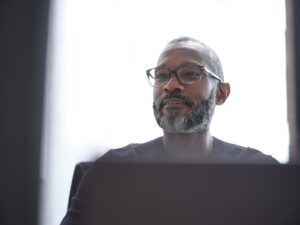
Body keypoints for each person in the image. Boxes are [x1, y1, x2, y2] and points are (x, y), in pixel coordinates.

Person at [61, 37, 278, 225]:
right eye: (162, 75)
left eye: (191, 73)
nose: (171, 85)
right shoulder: (111, 172)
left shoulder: (261, 175)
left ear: (221, 93)